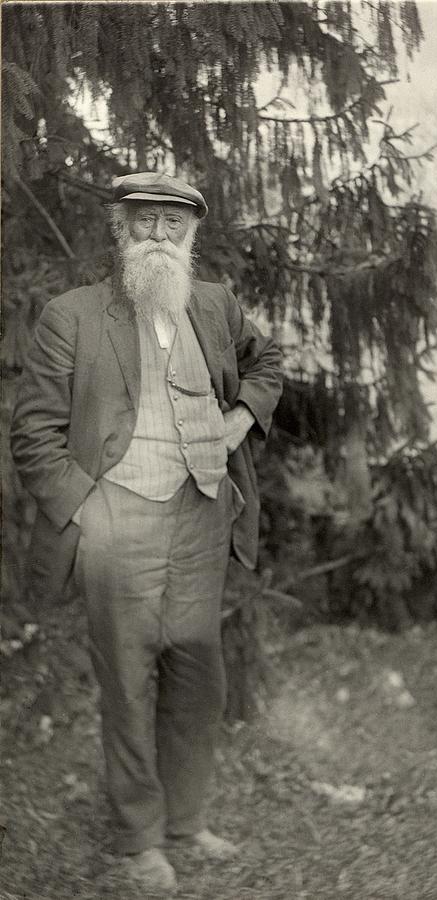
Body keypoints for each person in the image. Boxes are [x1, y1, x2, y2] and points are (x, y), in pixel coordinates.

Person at [11, 171, 283, 893]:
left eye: (173, 222)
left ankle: (187, 820)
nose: (158, 234)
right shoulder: (73, 316)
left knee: (197, 673)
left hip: (201, 514)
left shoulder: (216, 305)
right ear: (119, 229)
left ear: (192, 233)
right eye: (144, 220)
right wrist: (87, 508)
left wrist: (241, 417)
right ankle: (138, 840)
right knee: (127, 679)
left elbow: (268, 365)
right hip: (117, 522)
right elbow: (34, 435)